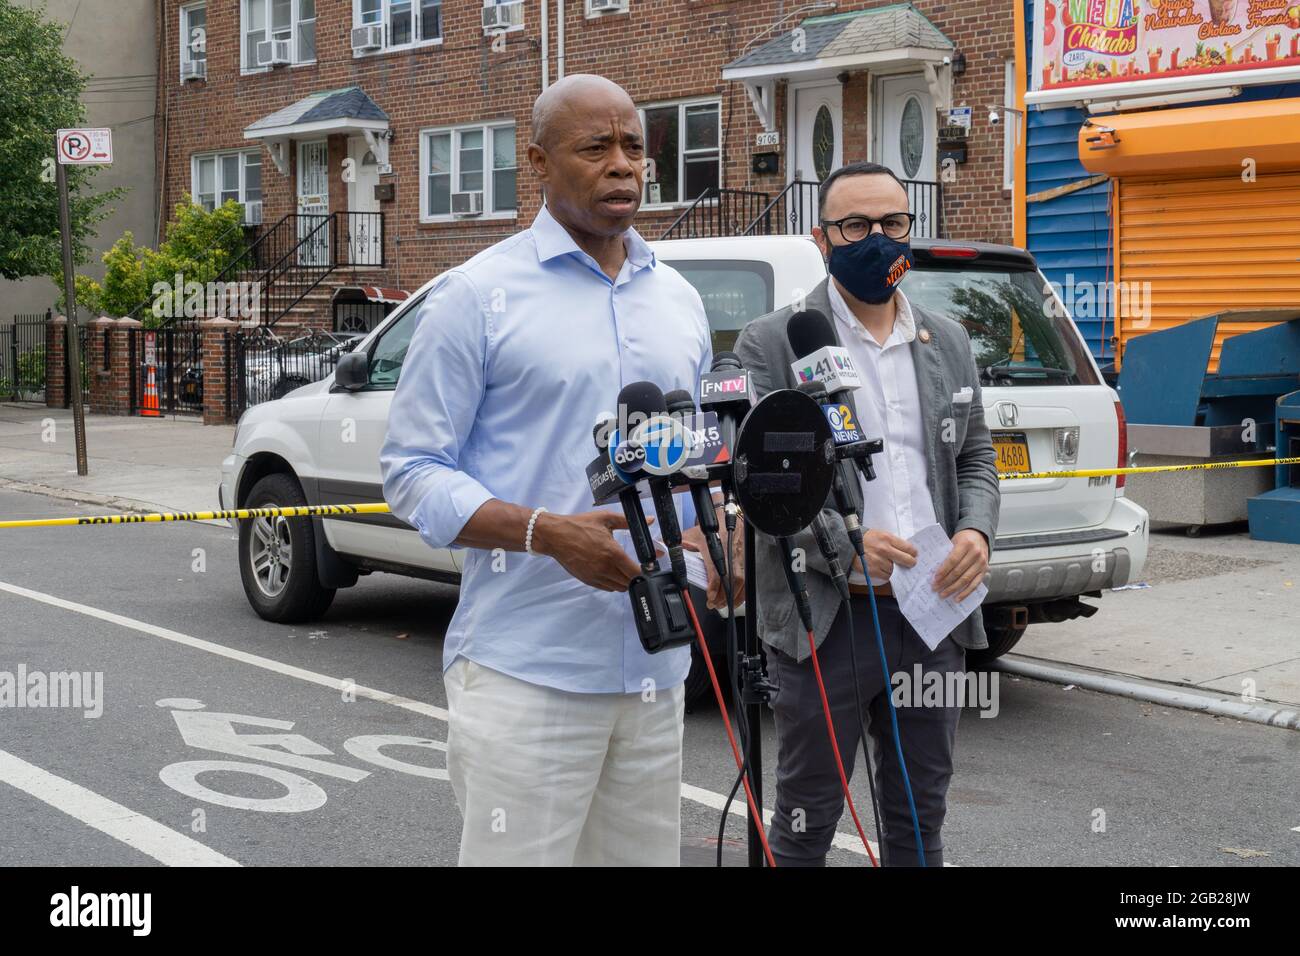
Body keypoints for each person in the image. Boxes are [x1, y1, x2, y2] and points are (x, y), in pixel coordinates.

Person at [380, 74, 739, 866]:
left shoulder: (677, 298)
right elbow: (411, 469)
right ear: (538, 162)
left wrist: (715, 539)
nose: (623, 166)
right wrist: (545, 533)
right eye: (596, 148)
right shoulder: (475, 297)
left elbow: (690, 461)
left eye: (636, 147)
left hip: (655, 670)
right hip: (526, 671)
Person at [734, 161, 999, 866]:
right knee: (805, 819)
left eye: (892, 223)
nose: (876, 239)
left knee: (919, 817)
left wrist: (975, 530)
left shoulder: (946, 339)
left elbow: (975, 456)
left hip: (931, 610)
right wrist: (846, 547)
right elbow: (764, 479)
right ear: (822, 238)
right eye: (856, 225)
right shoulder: (775, 341)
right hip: (831, 617)